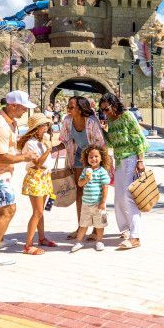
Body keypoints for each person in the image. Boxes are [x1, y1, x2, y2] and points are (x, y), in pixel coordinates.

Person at [0, 90, 37, 266]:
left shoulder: (9, 122)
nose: (25, 110)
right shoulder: (0, 125)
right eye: (23, 107)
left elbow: (8, 148)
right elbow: (0, 156)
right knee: (8, 209)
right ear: (12, 105)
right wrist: (25, 157)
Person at [51, 96, 107, 239]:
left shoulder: (92, 122)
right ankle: (81, 226)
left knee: (96, 192)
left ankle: (97, 229)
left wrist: (98, 164)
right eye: (68, 107)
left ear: (81, 109)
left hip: (93, 158)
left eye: (71, 107)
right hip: (77, 157)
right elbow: (64, 140)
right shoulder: (67, 121)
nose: (68, 109)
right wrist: (51, 149)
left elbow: (101, 144)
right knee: (80, 192)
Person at [99, 93, 148, 250]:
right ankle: (125, 229)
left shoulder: (127, 116)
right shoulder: (111, 121)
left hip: (132, 158)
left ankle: (136, 236)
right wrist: (102, 131)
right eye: (102, 111)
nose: (105, 113)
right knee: (118, 198)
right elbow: (112, 142)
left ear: (114, 105)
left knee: (127, 196)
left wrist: (140, 160)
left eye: (106, 109)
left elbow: (138, 138)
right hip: (120, 160)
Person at [18, 112, 57, 255]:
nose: (47, 127)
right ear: (36, 128)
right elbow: (38, 163)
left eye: (47, 125)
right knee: (37, 212)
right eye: (44, 125)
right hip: (35, 176)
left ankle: (42, 238)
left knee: (41, 212)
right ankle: (28, 245)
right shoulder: (30, 143)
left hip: (45, 177)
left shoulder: (41, 141)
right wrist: (48, 149)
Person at [70, 145, 112, 252]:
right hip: (86, 204)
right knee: (83, 224)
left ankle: (99, 241)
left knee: (99, 225)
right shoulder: (85, 171)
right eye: (91, 157)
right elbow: (79, 184)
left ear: (101, 157)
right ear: (86, 159)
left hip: (99, 204)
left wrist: (103, 202)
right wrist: (86, 180)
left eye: (96, 156)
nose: (93, 159)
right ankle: (79, 242)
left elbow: (105, 187)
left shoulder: (102, 171)